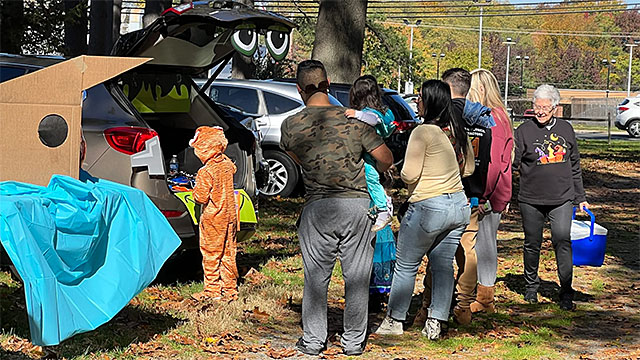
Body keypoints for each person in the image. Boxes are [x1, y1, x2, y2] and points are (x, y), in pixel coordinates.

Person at [280, 60, 393, 356]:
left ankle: (314, 340)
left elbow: (293, 153)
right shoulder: (354, 122)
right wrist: (375, 171)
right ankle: (354, 341)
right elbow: (386, 157)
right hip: (356, 206)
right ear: (328, 84)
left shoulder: (291, 124)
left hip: (317, 207)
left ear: (299, 89)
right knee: (356, 276)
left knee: (316, 277)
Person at [375, 80, 473, 340]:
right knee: (442, 266)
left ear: (429, 102)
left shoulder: (423, 132)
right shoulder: (456, 130)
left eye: (419, 97)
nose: (416, 101)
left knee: (406, 266)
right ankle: (436, 322)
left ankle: (394, 320)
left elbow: (409, 173)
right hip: (458, 205)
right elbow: (470, 169)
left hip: (429, 206)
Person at [414, 68, 495, 325]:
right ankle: (463, 306)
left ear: (445, 90)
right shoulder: (484, 120)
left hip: (443, 192)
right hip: (473, 195)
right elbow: (485, 163)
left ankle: (427, 306)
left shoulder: (443, 120)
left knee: (437, 252)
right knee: (468, 250)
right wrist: (481, 195)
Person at [514, 84, 588, 311]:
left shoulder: (566, 129)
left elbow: (574, 165)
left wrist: (580, 197)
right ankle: (531, 288)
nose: (541, 111)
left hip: (562, 198)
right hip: (531, 198)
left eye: (546, 107)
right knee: (531, 243)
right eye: (537, 106)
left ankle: (566, 291)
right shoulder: (523, 131)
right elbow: (512, 164)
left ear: (555, 107)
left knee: (562, 241)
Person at [344, 75, 397, 307]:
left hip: (368, 173)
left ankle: (370, 287)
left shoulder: (368, 117)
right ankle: (379, 286)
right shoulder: (386, 112)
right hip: (378, 171)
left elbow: (371, 122)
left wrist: (355, 115)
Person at [465, 69, 514, 314]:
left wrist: (482, 196)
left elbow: (493, 163)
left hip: (489, 194)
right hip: (493, 191)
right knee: (483, 243)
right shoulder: (500, 116)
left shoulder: (493, 118)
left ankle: (485, 298)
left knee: (484, 245)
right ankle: (479, 293)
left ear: (482, 89)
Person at [190, 126, 239, 302]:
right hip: (230, 216)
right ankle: (230, 289)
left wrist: (194, 189)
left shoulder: (205, 171)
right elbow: (232, 168)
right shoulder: (227, 165)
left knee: (211, 254)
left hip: (213, 217)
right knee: (228, 252)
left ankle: (212, 290)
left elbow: (201, 197)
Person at [345, 75, 396, 232]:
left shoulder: (370, 113)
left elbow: (372, 119)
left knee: (371, 179)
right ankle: (382, 204)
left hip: (370, 154)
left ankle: (383, 209)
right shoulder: (386, 111)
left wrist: (356, 114)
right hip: (377, 150)